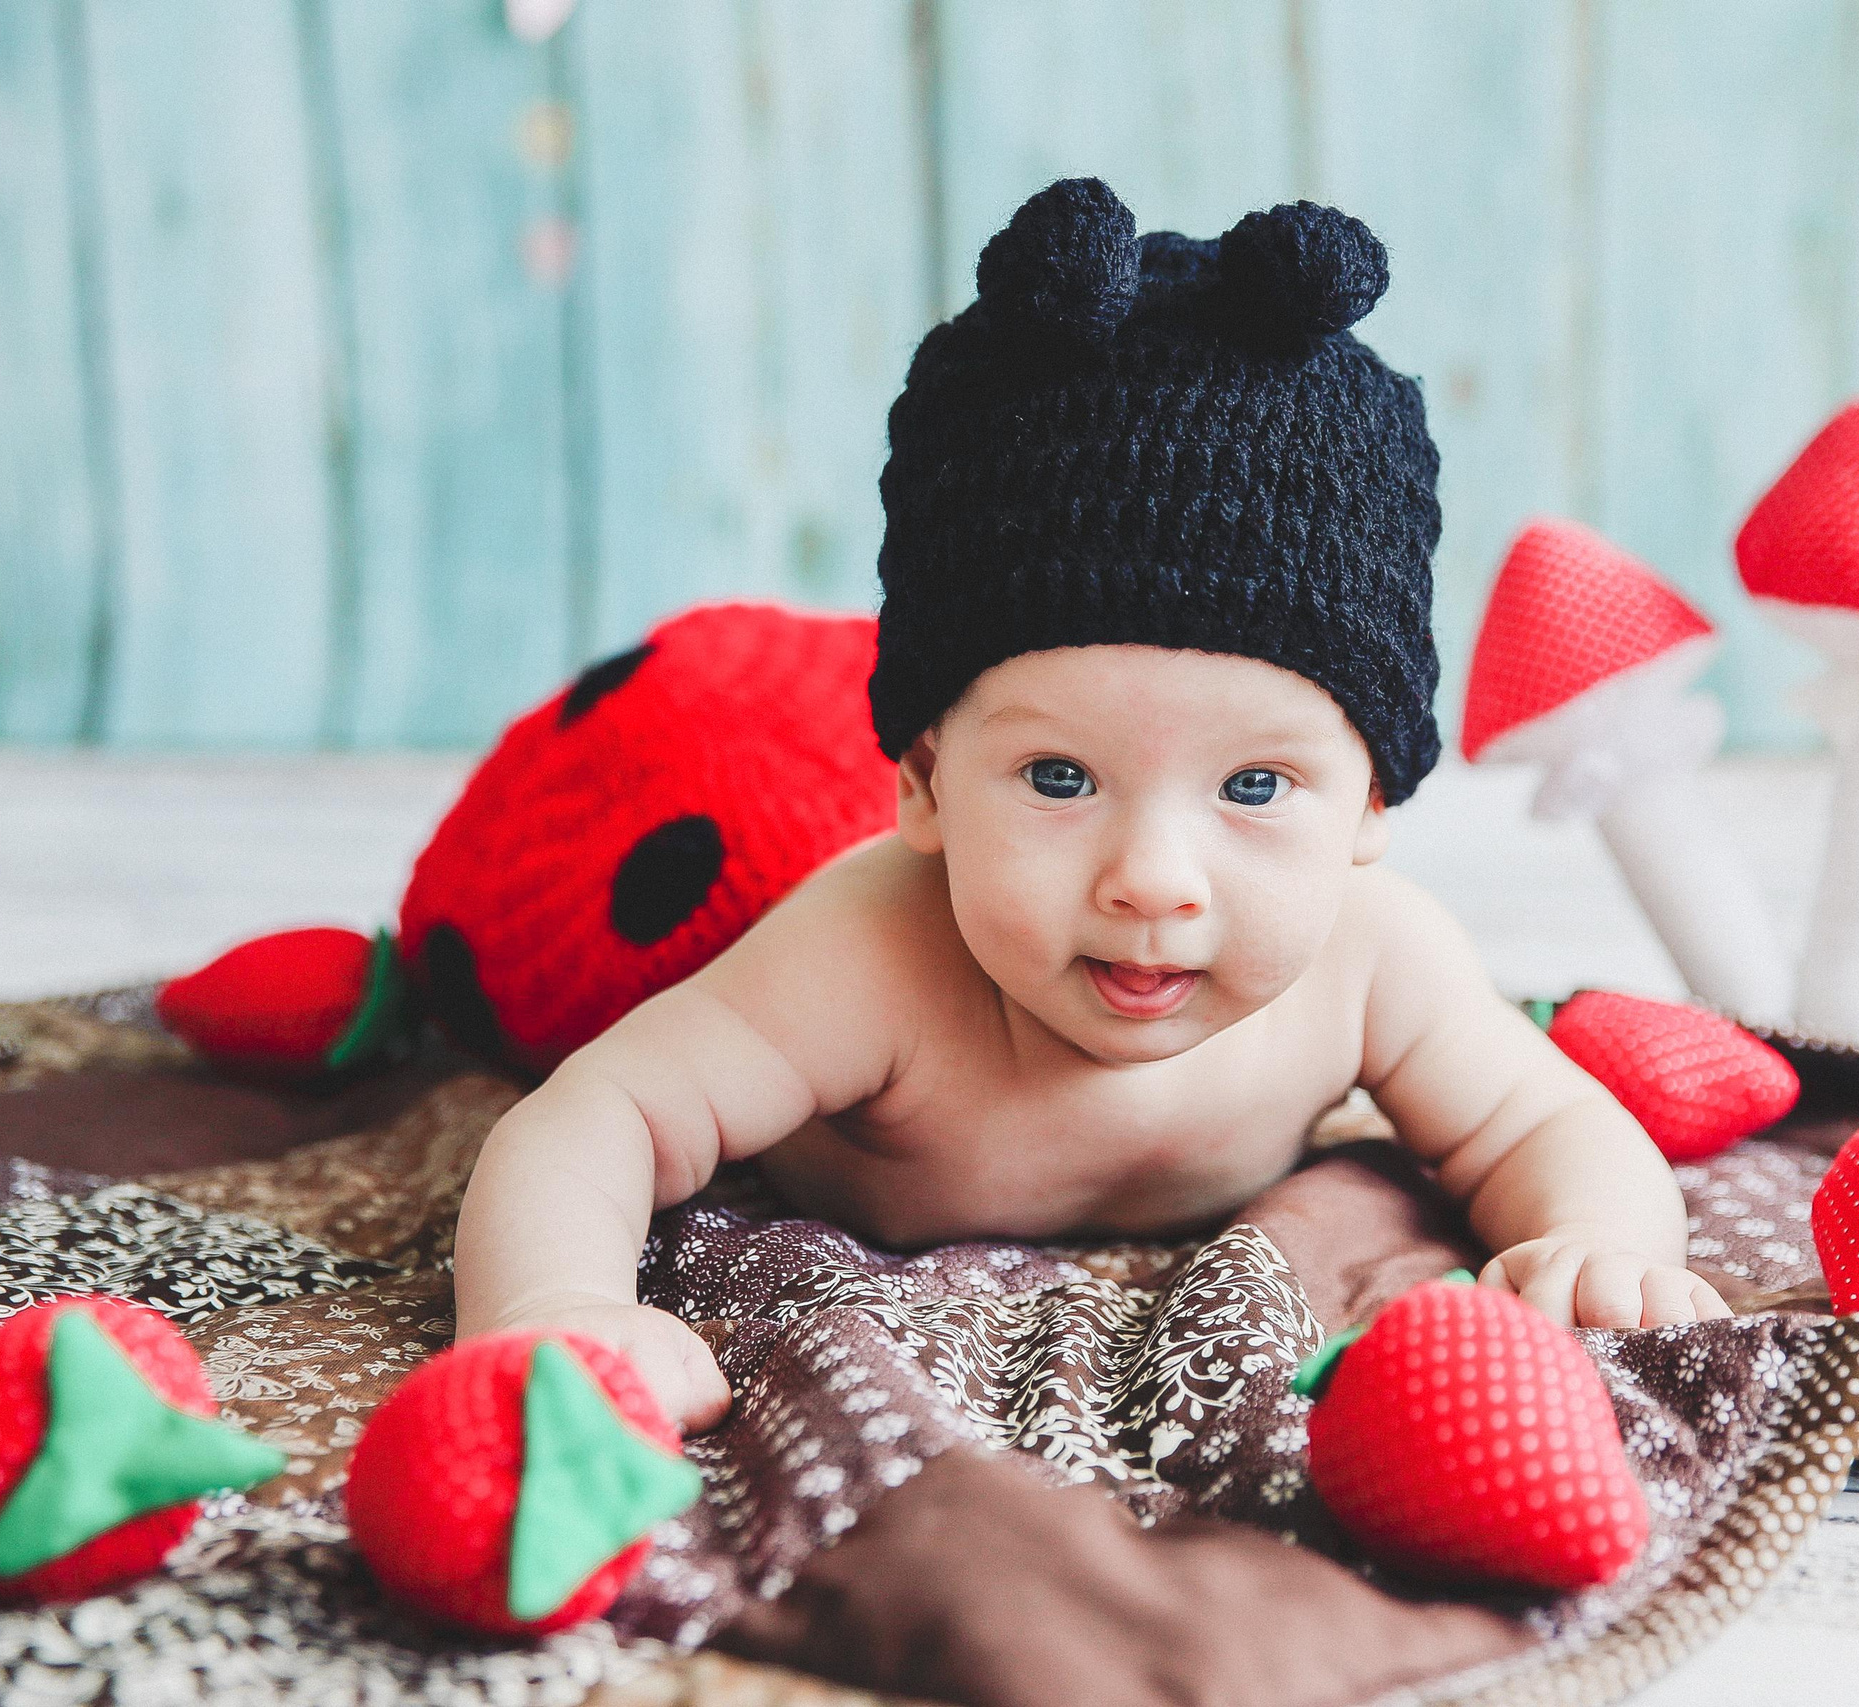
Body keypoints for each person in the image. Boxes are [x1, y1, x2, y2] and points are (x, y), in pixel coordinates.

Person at [453, 179, 1728, 1434]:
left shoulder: (1373, 958)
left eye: (1255, 787)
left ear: (1368, 810)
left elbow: (1548, 1121)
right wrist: (553, 1304)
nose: (1153, 877)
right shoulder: (867, 960)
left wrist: (1593, 1243)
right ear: (924, 783)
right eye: (1059, 779)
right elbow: (589, 1117)